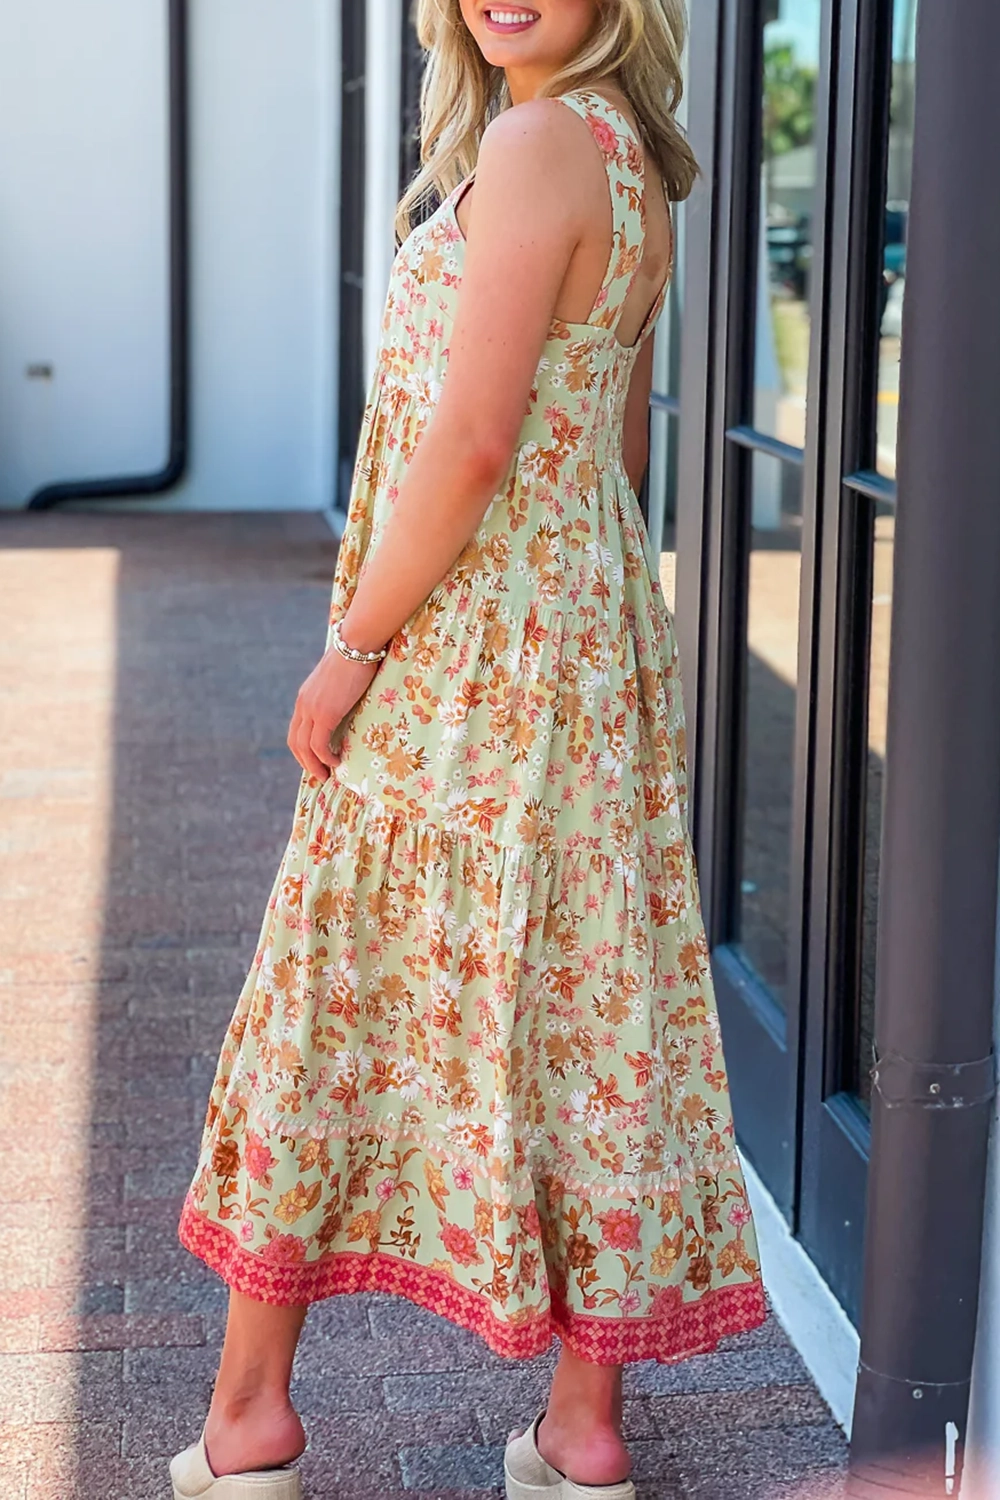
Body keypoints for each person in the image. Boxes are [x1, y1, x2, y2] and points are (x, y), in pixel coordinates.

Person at [170, 2, 767, 1497]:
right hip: (583, 625)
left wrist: (355, 646)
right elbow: (615, 450)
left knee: (335, 972)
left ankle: (247, 1424)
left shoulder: (533, 140)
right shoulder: (635, 163)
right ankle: (582, 1433)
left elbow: (475, 441)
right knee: (594, 994)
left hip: (475, 637)